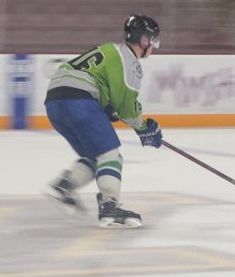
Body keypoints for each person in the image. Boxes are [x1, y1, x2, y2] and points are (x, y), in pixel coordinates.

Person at [42, 15, 163, 227]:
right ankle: (110, 207)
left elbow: (99, 86)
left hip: (54, 102)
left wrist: (106, 109)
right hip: (79, 101)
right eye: (152, 40)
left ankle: (64, 186)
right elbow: (126, 104)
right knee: (111, 156)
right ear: (143, 40)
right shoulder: (129, 61)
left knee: (95, 157)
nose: (153, 46)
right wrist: (144, 128)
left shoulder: (109, 50)